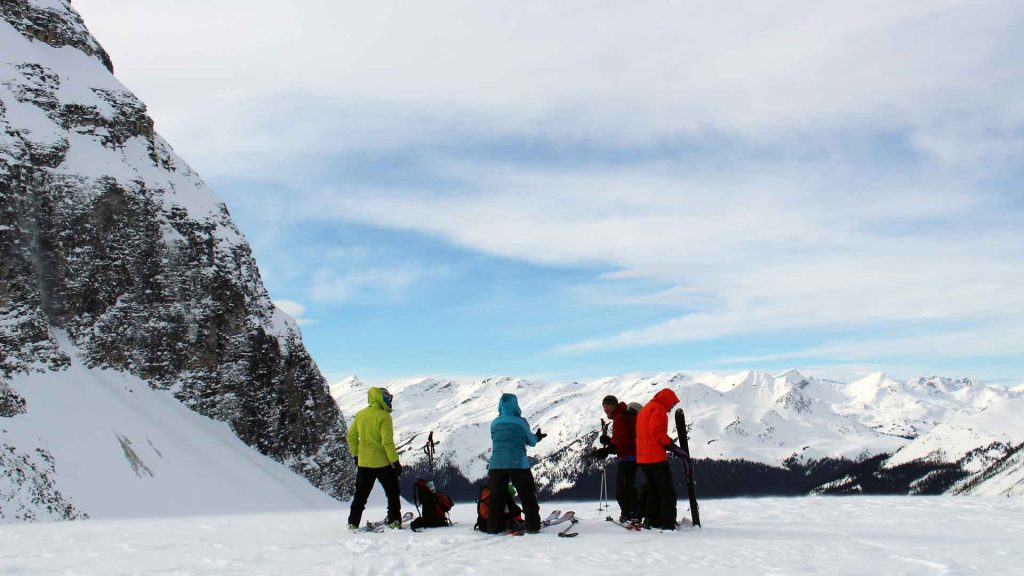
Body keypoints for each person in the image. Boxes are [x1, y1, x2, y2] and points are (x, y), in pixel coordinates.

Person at [485, 392, 547, 534]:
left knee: (497, 498)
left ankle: (493, 527)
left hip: (496, 464)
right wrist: (538, 437)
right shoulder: (520, 422)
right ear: (515, 405)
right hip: (518, 463)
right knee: (527, 495)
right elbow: (531, 441)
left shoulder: (494, 423)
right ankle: (532, 526)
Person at [347, 387, 403, 529]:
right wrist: (395, 462)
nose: (389, 401)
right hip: (382, 463)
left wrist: (356, 455)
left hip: (364, 463)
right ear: (381, 398)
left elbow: (351, 436)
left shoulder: (360, 415)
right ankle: (394, 521)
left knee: (360, 496)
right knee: (392, 493)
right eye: (388, 398)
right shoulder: (384, 416)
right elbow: (387, 442)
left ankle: (352, 523)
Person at [584, 395, 637, 523]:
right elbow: (623, 438)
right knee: (628, 487)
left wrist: (607, 450)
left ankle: (630, 514)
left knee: (622, 491)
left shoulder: (619, 418)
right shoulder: (621, 416)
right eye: (604, 406)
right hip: (631, 457)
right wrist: (609, 442)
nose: (605, 408)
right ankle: (633, 512)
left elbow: (622, 442)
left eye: (608, 405)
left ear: (615, 405)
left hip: (628, 458)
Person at [636, 387, 681, 531]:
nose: (671, 408)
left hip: (643, 458)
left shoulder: (645, 409)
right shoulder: (659, 409)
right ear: (667, 400)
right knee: (668, 492)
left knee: (653, 491)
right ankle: (667, 524)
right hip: (655, 457)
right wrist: (670, 445)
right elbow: (656, 430)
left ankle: (652, 520)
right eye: (672, 404)